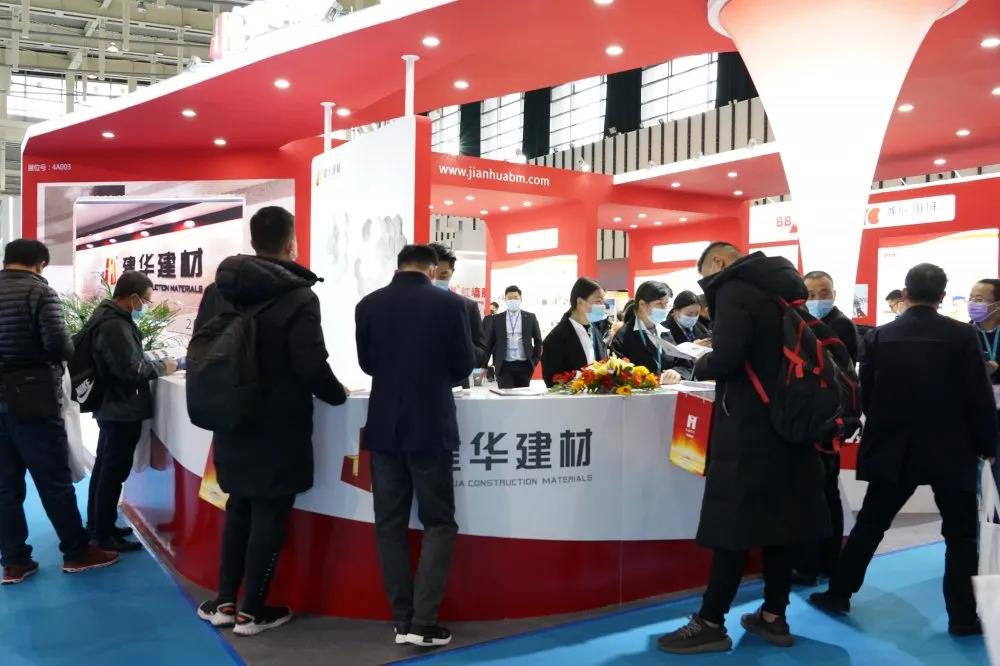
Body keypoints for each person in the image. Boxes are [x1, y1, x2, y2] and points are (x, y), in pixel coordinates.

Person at [658, 243, 830, 654]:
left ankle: (711, 621)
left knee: (732, 525)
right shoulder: (783, 288)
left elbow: (729, 359)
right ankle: (773, 615)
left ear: (717, 263)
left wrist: (700, 362)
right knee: (780, 523)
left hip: (750, 428)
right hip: (790, 425)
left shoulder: (735, 288)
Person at [810, 264, 998, 636]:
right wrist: (986, 445)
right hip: (952, 447)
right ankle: (962, 617)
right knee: (960, 536)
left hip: (894, 447)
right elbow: (978, 397)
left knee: (871, 524)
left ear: (906, 293)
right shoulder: (962, 336)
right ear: (942, 296)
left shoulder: (880, 336)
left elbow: (867, 394)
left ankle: (839, 593)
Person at [195, 206, 348, 636]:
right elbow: (310, 363)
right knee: (270, 511)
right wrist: (337, 395)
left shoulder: (219, 290)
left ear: (253, 240)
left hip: (230, 415)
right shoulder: (299, 296)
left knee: (239, 505)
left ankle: (226, 601)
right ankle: (252, 611)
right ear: (291, 243)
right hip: (280, 421)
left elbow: (201, 349)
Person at [356, 244, 475, 648]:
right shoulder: (450, 306)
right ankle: (423, 623)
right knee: (438, 522)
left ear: (399, 266)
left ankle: (402, 619)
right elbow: (463, 366)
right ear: (433, 269)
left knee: (389, 524)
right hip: (430, 425)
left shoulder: (368, 305)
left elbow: (368, 364)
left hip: (384, 426)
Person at [0, 239, 118, 585]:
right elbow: (59, 345)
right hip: (33, 396)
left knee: (5, 487)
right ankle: (76, 552)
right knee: (53, 480)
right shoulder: (39, 292)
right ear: (40, 264)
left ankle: (15, 561)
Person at [86, 271, 176, 552]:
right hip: (120, 407)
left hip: (112, 405)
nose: (145, 306)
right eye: (146, 301)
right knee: (112, 470)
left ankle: (100, 525)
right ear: (133, 297)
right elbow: (130, 369)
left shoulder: (107, 317)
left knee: (105, 467)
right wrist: (164, 366)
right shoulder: (115, 325)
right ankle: (102, 534)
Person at [790, 270, 861, 586]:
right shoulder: (806, 323)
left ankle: (813, 563)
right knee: (822, 491)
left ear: (834, 293)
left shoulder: (837, 326)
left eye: (824, 292)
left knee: (818, 492)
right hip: (823, 418)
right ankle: (824, 561)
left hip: (826, 420)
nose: (818, 299)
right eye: (811, 294)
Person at [428, 243, 486, 377]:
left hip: (455, 383)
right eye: (431, 276)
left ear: (452, 272)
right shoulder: (408, 307)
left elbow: (481, 357)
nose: (435, 281)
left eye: (443, 276)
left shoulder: (467, 307)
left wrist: (460, 337)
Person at [610, 281, 682, 385]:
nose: (664, 308)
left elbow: (682, 364)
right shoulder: (624, 336)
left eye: (666, 304)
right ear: (642, 304)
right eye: (659, 304)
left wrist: (676, 373)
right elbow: (619, 373)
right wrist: (654, 378)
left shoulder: (665, 332)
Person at [541, 278, 608, 387]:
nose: (602, 306)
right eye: (598, 301)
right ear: (580, 302)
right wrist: (580, 378)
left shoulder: (595, 331)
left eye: (603, 302)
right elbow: (552, 379)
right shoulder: (556, 338)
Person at [969, 278, 1000, 490]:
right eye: (971, 298)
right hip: (972, 415)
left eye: (979, 299)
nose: (973, 303)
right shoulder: (963, 334)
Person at [483, 286, 543, 389]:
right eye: (509, 298)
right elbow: (490, 343)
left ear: (521, 299)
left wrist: (534, 361)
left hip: (524, 366)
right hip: (504, 366)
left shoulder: (530, 317)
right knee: (505, 396)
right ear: (505, 300)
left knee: (522, 396)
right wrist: (483, 365)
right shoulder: (497, 318)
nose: (513, 300)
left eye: (515, 297)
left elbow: (538, 341)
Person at [663, 291, 712, 380]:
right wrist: (692, 348)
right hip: (676, 378)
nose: (693, 317)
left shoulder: (701, 328)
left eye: (696, 314)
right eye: (689, 314)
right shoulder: (664, 330)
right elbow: (669, 360)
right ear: (676, 311)